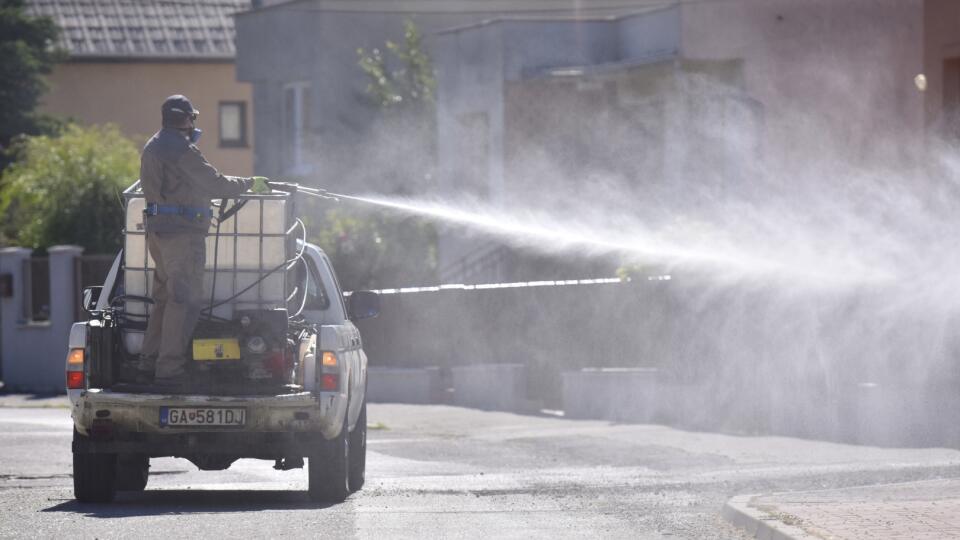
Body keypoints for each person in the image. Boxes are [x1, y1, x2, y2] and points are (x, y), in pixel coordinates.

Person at [138, 94, 268, 384]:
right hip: (182, 236)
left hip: (158, 233)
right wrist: (249, 184)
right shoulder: (181, 149)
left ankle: (148, 362)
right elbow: (215, 182)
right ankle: (169, 369)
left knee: (163, 299)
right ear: (186, 119)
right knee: (183, 301)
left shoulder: (153, 145)